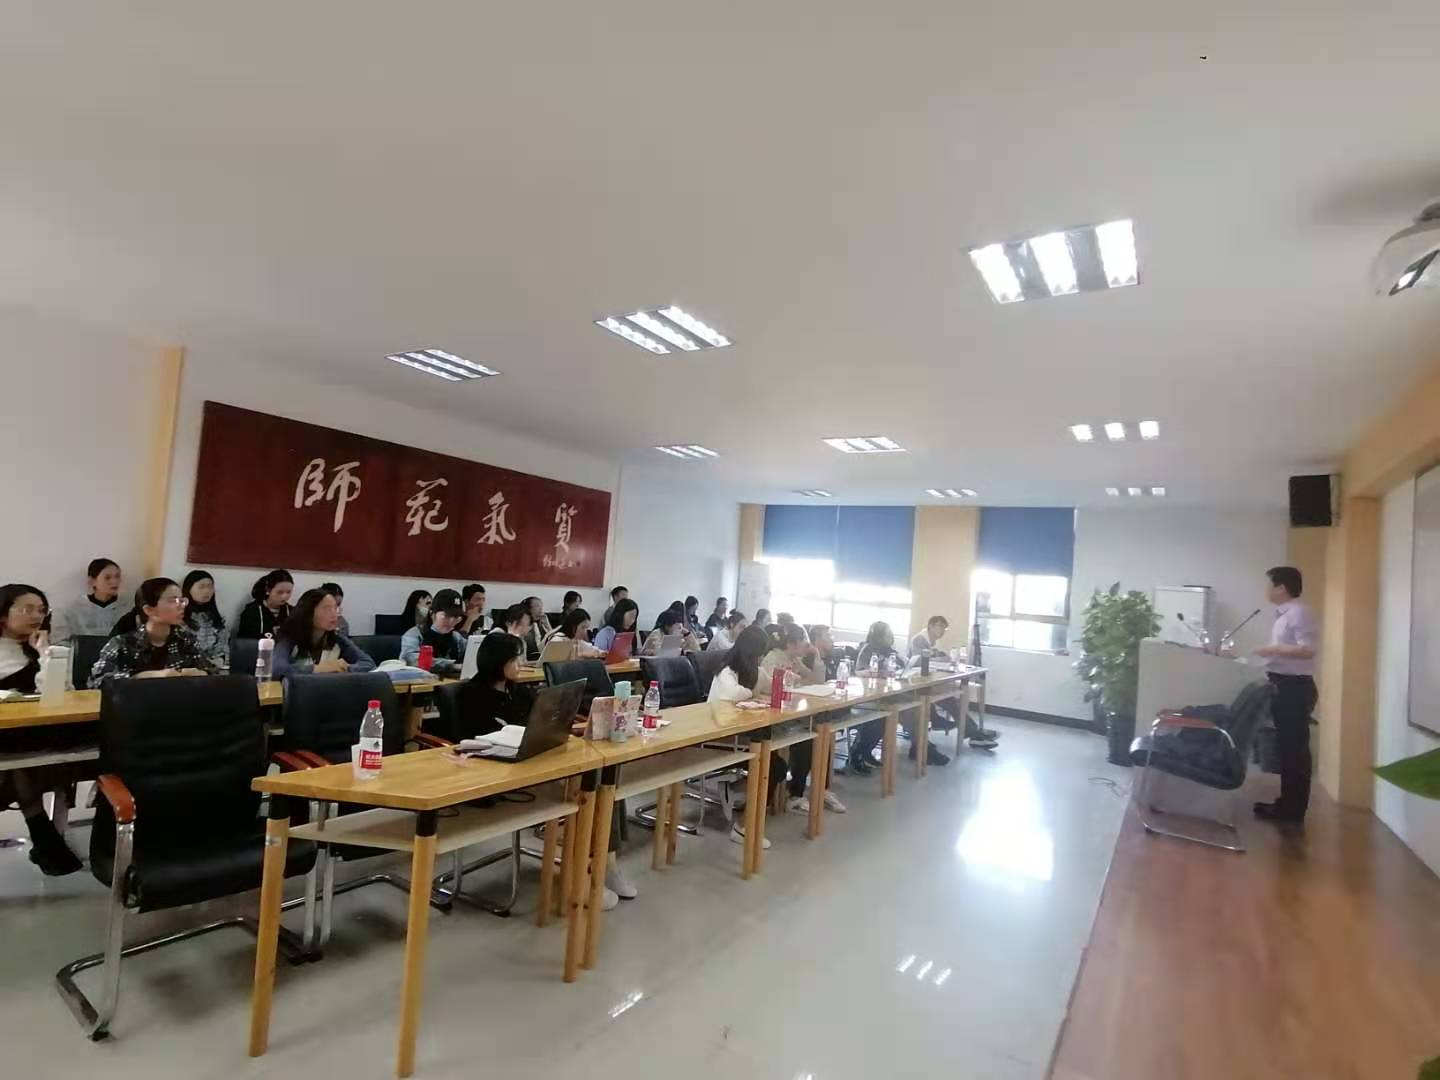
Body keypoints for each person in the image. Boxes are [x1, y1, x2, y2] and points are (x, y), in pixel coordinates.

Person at [458, 634, 633, 909]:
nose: (520, 664)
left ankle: (606, 866)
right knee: (586, 791)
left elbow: (542, 723)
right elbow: (467, 743)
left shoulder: (519, 691)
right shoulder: (470, 695)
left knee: (603, 783)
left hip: (534, 765)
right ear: (496, 662)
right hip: (498, 777)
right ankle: (583, 880)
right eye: (514, 659)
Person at [0, 583, 83, 875]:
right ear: (3, 614)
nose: (37, 615)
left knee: (19, 760)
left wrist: (46, 654)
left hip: (39, 734)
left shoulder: (48, 650)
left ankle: (45, 840)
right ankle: (45, 841)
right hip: (11, 737)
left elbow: (63, 696)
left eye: (41, 610)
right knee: (17, 763)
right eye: (27, 609)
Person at [1252, 566, 1319, 824]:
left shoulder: (1300, 612)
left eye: (1269, 584)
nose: (1266, 589)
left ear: (1281, 588)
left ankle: (1293, 811)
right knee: (1286, 749)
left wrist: (1273, 649)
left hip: (1295, 688)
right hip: (1282, 684)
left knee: (1294, 750)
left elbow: (1308, 650)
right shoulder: (1283, 615)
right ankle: (1286, 804)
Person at [706, 624, 780, 850]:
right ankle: (743, 827)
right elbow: (733, 694)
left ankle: (736, 790)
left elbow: (768, 684)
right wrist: (753, 693)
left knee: (775, 764)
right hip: (719, 738)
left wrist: (780, 677)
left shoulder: (751, 670)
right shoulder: (726, 671)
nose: (760, 660)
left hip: (741, 734)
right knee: (771, 766)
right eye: (758, 655)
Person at [763, 623, 846, 814]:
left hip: (791, 714)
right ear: (792, 643)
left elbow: (817, 681)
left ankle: (821, 789)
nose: (806, 645)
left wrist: (816, 659)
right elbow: (769, 690)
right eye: (803, 641)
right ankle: (796, 794)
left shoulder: (794, 659)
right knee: (807, 740)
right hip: (775, 718)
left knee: (822, 736)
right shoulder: (774, 659)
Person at [853, 621, 951, 770]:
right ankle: (923, 748)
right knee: (909, 711)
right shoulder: (868, 650)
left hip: (890, 693)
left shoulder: (891, 651)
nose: (891, 636)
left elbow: (904, 665)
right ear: (879, 636)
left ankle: (921, 747)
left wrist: (906, 668)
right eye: (888, 634)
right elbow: (859, 672)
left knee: (916, 707)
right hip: (872, 696)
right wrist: (880, 673)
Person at [89, 577, 221, 685]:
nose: (181, 606)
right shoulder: (122, 644)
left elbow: (213, 672)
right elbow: (97, 681)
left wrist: (202, 674)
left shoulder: (186, 640)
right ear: (149, 610)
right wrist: (143, 676)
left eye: (182, 600)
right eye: (173, 600)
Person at [910, 615, 999, 749]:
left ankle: (973, 732)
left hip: (930, 681)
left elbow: (937, 656)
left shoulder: (934, 641)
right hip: (917, 684)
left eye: (944, 628)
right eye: (940, 626)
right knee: (951, 701)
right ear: (930, 626)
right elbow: (919, 661)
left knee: (953, 699)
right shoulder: (919, 639)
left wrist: (942, 658)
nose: (942, 631)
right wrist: (940, 660)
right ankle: (974, 734)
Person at [271, 588, 376, 677]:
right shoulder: (289, 636)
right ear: (308, 612)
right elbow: (277, 669)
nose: (334, 614)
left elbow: (369, 664)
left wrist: (342, 668)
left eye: (335, 608)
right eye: (326, 608)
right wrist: (316, 669)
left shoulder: (337, 638)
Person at [51, 557, 123, 644]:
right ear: (92, 581)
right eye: (107, 578)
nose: (114, 581)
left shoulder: (127, 607)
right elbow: (60, 641)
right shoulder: (73, 609)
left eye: (117, 576)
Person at [400, 588, 467, 674]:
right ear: (432, 613)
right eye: (446, 616)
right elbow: (412, 660)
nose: (451, 621)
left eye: (456, 617)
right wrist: (451, 665)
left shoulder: (456, 637)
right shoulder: (414, 634)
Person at [182, 569, 230, 673]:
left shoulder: (218, 618)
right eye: (202, 587)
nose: (207, 591)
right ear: (188, 589)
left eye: (210, 587)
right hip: (187, 668)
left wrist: (219, 660)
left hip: (213, 668)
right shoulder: (179, 617)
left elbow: (223, 647)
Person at [236, 569, 295, 639]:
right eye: (280, 592)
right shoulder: (252, 611)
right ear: (268, 590)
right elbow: (244, 641)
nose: (285, 596)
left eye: (288, 592)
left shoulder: (292, 612)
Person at [520, 596, 552, 660]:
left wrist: (547, 625)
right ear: (528, 609)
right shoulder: (522, 629)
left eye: (541, 607)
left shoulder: (541, 625)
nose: (541, 610)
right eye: (537, 606)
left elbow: (554, 642)